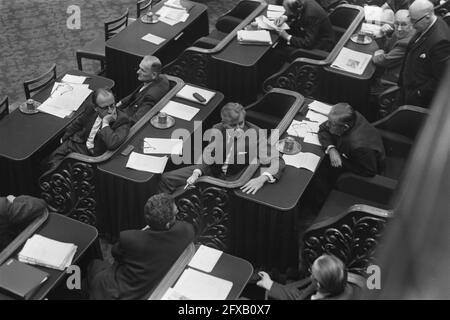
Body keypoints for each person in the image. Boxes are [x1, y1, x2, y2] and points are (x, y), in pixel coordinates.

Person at [158, 102, 285, 195]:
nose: (239, 129)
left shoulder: (256, 134)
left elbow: (277, 160)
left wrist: (262, 178)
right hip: (211, 170)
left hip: (233, 179)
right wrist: (197, 172)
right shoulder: (217, 128)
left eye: (241, 123)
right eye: (233, 125)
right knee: (166, 179)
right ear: (223, 123)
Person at [86, 193, 194, 300]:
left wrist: (142, 233)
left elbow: (115, 253)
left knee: (94, 265)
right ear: (167, 224)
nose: (178, 211)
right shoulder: (186, 231)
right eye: (175, 213)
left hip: (125, 289)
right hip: (155, 283)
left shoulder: (130, 238)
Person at [48, 88, 130, 167]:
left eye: (112, 105)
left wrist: (105, 123)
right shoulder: (91, 108)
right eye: (105, 108)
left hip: (95, 154)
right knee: (52, 159)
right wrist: (64, 138)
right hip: (80, 142)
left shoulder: (122, 120)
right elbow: (78, 123)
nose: (110, 111)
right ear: (96, 108)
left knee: (63, 169)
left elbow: (113, 143)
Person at [399, 0, 450, 107]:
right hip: (406, 89)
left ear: (427, 17)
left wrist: (418, 94)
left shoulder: (440, 41)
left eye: (414, 21)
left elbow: (441, 79)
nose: (412, 25)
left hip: (418, 100)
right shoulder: (426, 24)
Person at [318, 103, 385, 177]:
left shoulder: (357, 146)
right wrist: (331, 149)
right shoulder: (350, 117)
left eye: (331, 124)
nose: (327, 124)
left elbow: (369, 171)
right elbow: (323, 129)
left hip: (365, 167)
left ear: (345, 127)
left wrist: (340, 158)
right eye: (328, 120)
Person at [257, 254, 354, 300]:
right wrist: (269, 284)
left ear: (318, 284)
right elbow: (300, 294)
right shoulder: (335, 281)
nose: (311, 274)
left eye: (313, 273)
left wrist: (269, 285)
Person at [116, 55, 170, 124]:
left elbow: (135, 120)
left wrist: (115, 120)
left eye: (143, 70)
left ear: (154, 75)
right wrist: (121, 103)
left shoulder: (150, 97)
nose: (138, 72)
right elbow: (136, 93)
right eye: (139, 68)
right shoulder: (160, 78)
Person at [372, 10, 415, 89]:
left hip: (391, 81)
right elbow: (387, 47)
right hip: (388, 69)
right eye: (396, 23)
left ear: (412, 24)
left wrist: (373, 55)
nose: (399, 28)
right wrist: (383, 34)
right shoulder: (400, 32)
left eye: (404, 24)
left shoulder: (406, 43)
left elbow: (383, 60)